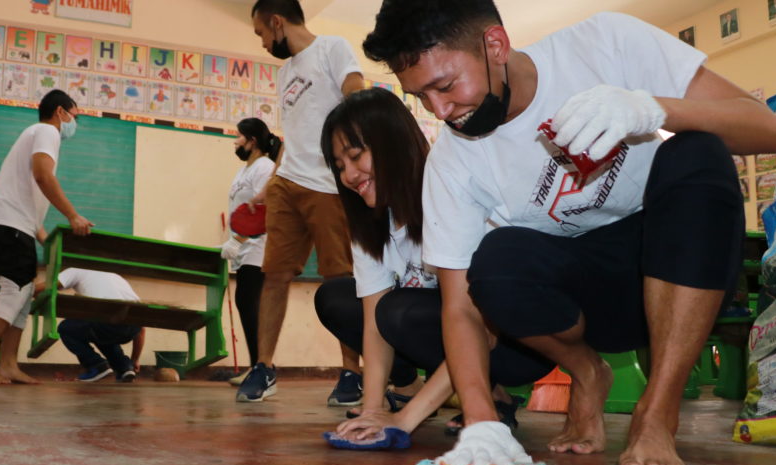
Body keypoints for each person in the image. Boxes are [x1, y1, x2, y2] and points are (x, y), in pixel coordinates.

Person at [364, 0, 776, 465]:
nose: (440, 112)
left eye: (445, 86)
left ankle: (657, 410)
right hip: (586, 301)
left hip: (678, 269)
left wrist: (651, 109)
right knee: (496, 260)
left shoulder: (605, 44)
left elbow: (771, 128)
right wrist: (481, 424)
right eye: (420, 97)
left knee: (698, 149)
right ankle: (588, 373)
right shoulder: (452, 162)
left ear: (495, 45)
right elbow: (458, 307)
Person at [315, 87, 553, 438]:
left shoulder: (447, 190)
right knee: (338, 299)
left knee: (399, 311)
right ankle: (422, 389)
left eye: (356, 156)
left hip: (517, 343)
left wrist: (406, 420)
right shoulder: (370, 223)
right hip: (446, 332)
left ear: (392, 143)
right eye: (340, 166)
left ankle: (489, 394)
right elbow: (373, 325)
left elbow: (483, 328)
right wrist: (372, 410)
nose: (350, 175)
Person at [237, 0, 366, 405]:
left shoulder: (332, 47)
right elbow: (293, 132)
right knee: (272, 274)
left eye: (261, 33)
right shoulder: (284, 71)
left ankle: (352, 372)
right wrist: (271, 182)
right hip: (286, 183)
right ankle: (265, 366)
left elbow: (357, 97)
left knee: (339, 278)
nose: (262, 43)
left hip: (329, 185)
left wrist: (352, 163)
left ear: (277, 22)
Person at [0, 89, 94, 384]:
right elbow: (43, 176)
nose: (75, 122)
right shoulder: (47, 131)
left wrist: (48, 242)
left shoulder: (36, 134)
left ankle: (8, 363)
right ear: (60, 112)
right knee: (14, 290)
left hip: (14, 225)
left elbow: (32, 208)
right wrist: (73, 215)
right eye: (74, 115)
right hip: (6, 225)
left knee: (22, 295)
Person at [220, 118, 280, 386]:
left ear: (252, 141)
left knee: (249, 302)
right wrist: (233, 240)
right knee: (247, 303)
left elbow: (262, 211)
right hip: (245, 248)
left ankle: (263, 366)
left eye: (238, 136)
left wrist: (238, 239)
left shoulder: (265, 168)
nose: (235, 141)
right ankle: (258, 364)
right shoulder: (245, 170)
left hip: (259, 248)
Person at [37, 268, 146, 383]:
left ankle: (97, 366)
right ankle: (124, 368)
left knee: (66, 327)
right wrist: (135, 360)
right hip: (131, 328)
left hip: (106, 323)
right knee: (99, 331)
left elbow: (42, 287)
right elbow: (141, 328)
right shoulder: (115, 276)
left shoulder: (74, 271)